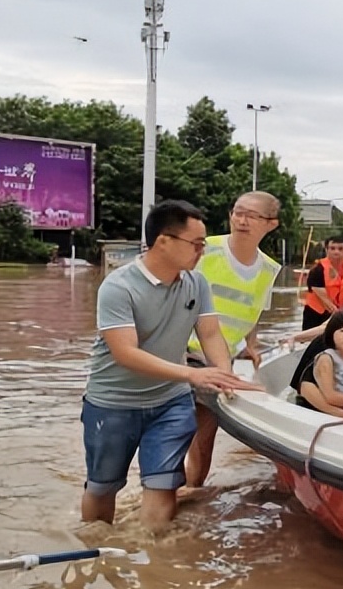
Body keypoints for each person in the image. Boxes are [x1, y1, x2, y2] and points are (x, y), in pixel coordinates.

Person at [81, 200, 260, 532]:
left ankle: (153, 559)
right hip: (113, 403)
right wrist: (194, 374)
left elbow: (209, 332)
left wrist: (224, 373)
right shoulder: (118, 287)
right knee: (103, 486)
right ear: (163, 241)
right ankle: (95, 552)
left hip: (171, 402)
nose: (202, 252)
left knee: (163, 487)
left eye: (203, 244)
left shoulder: (196, 283)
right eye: (196, 244)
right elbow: (126, 353)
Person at [184, 191, 282, 489]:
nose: (242, 220)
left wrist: (251, 346)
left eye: (251, 215)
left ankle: (191, 496)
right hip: (181, 354)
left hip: (221, 362)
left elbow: (253, 312)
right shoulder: (205, 250)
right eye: (237, 212)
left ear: (271, 224)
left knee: (204, 441)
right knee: (172, 433)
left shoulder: (269, 269)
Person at [302, 237, 343, 330]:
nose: (336, 252)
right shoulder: (318, 269)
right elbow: (320, 292)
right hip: (317, 312)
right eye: (332, 248)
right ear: (326, 250)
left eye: (340, 249)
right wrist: (337, 312)